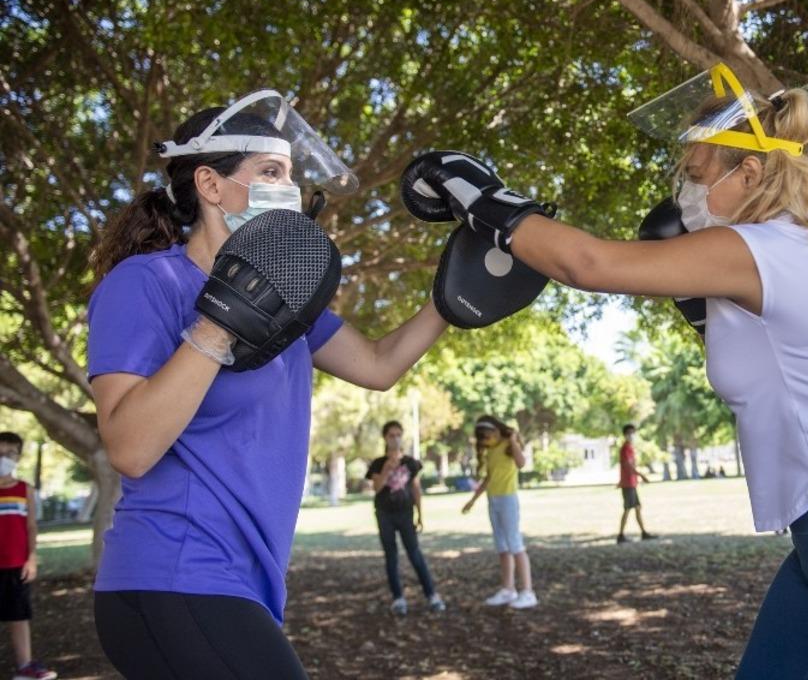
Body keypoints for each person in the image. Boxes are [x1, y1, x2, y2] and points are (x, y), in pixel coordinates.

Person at [405, 63, 808, 678]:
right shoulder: (777, 255)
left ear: (749, 172)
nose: (683, 194)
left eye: (694, 175)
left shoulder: (771, 248)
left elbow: (589, 264)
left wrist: (478, 195)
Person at [86, 92, 450, 679]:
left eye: (290, 175)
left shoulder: (285, 294)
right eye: (271, 173)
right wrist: (219, 323)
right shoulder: (145, 282)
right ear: (210, 184)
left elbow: (379, 365)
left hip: (240, 582)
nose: (289, 189)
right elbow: (129, 448)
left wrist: (453, 293)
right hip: (172, 573)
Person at [366, 420, 445, 615]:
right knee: (391, 556)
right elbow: (376, 488)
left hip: (405, 514)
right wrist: (387, 468)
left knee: (415, 554)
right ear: (385, 438)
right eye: (391, 435)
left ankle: (432, 595)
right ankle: (398, 598)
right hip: (385, 514)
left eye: (398, 434)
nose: (395, 439)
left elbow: (416, 489)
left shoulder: (411, 463)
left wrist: (420, 514)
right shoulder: (377, 463)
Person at [460, 416, 537, 609]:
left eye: (488, 436)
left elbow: (521, 463)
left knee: (515, 544)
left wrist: (512, 440)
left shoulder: (508, 445)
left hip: (508, 499)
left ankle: (528, 592)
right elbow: (489, 478)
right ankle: (508, 589)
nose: (486, 440)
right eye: (483, 439)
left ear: (496, 431)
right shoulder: (491, 451)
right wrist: (472, 500)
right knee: (502, 547)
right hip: (493, 500)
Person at [0, 433, 56, 680]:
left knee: (18, 615)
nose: (4, 459)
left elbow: (31, 526)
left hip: (15, 564)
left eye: (10, 453)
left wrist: (31, 558)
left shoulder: (25, 489)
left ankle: (25, 667)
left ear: (18, 457)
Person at [616, 424, 656, 544]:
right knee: (628, 508)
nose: (632, 435)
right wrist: (641, 475)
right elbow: (628, 466)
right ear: (625, 434)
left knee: (637, 507)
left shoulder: (629, 448)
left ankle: (643, 532)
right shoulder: (625, 448)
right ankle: (621, 535)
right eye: (630, 433)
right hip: (628, 483)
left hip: (631, 482)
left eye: (633, 433)